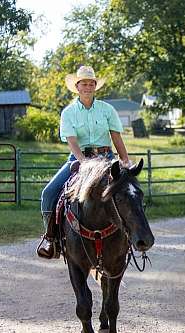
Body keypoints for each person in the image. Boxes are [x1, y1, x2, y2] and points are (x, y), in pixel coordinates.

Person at [36, 65, 132, 259]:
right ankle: (51, 239)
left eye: (91, 83)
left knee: (130, 192)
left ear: (95, 86)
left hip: (106, 159)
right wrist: (83, 162)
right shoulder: (69, 113)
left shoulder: (107, 110)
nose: (88, 86)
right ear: (77, 87)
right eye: (84, 83)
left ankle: (132, 235)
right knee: (48, 194)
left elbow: (116, 137)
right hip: (79, 159)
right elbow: (72, 141)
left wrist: (126, 161)